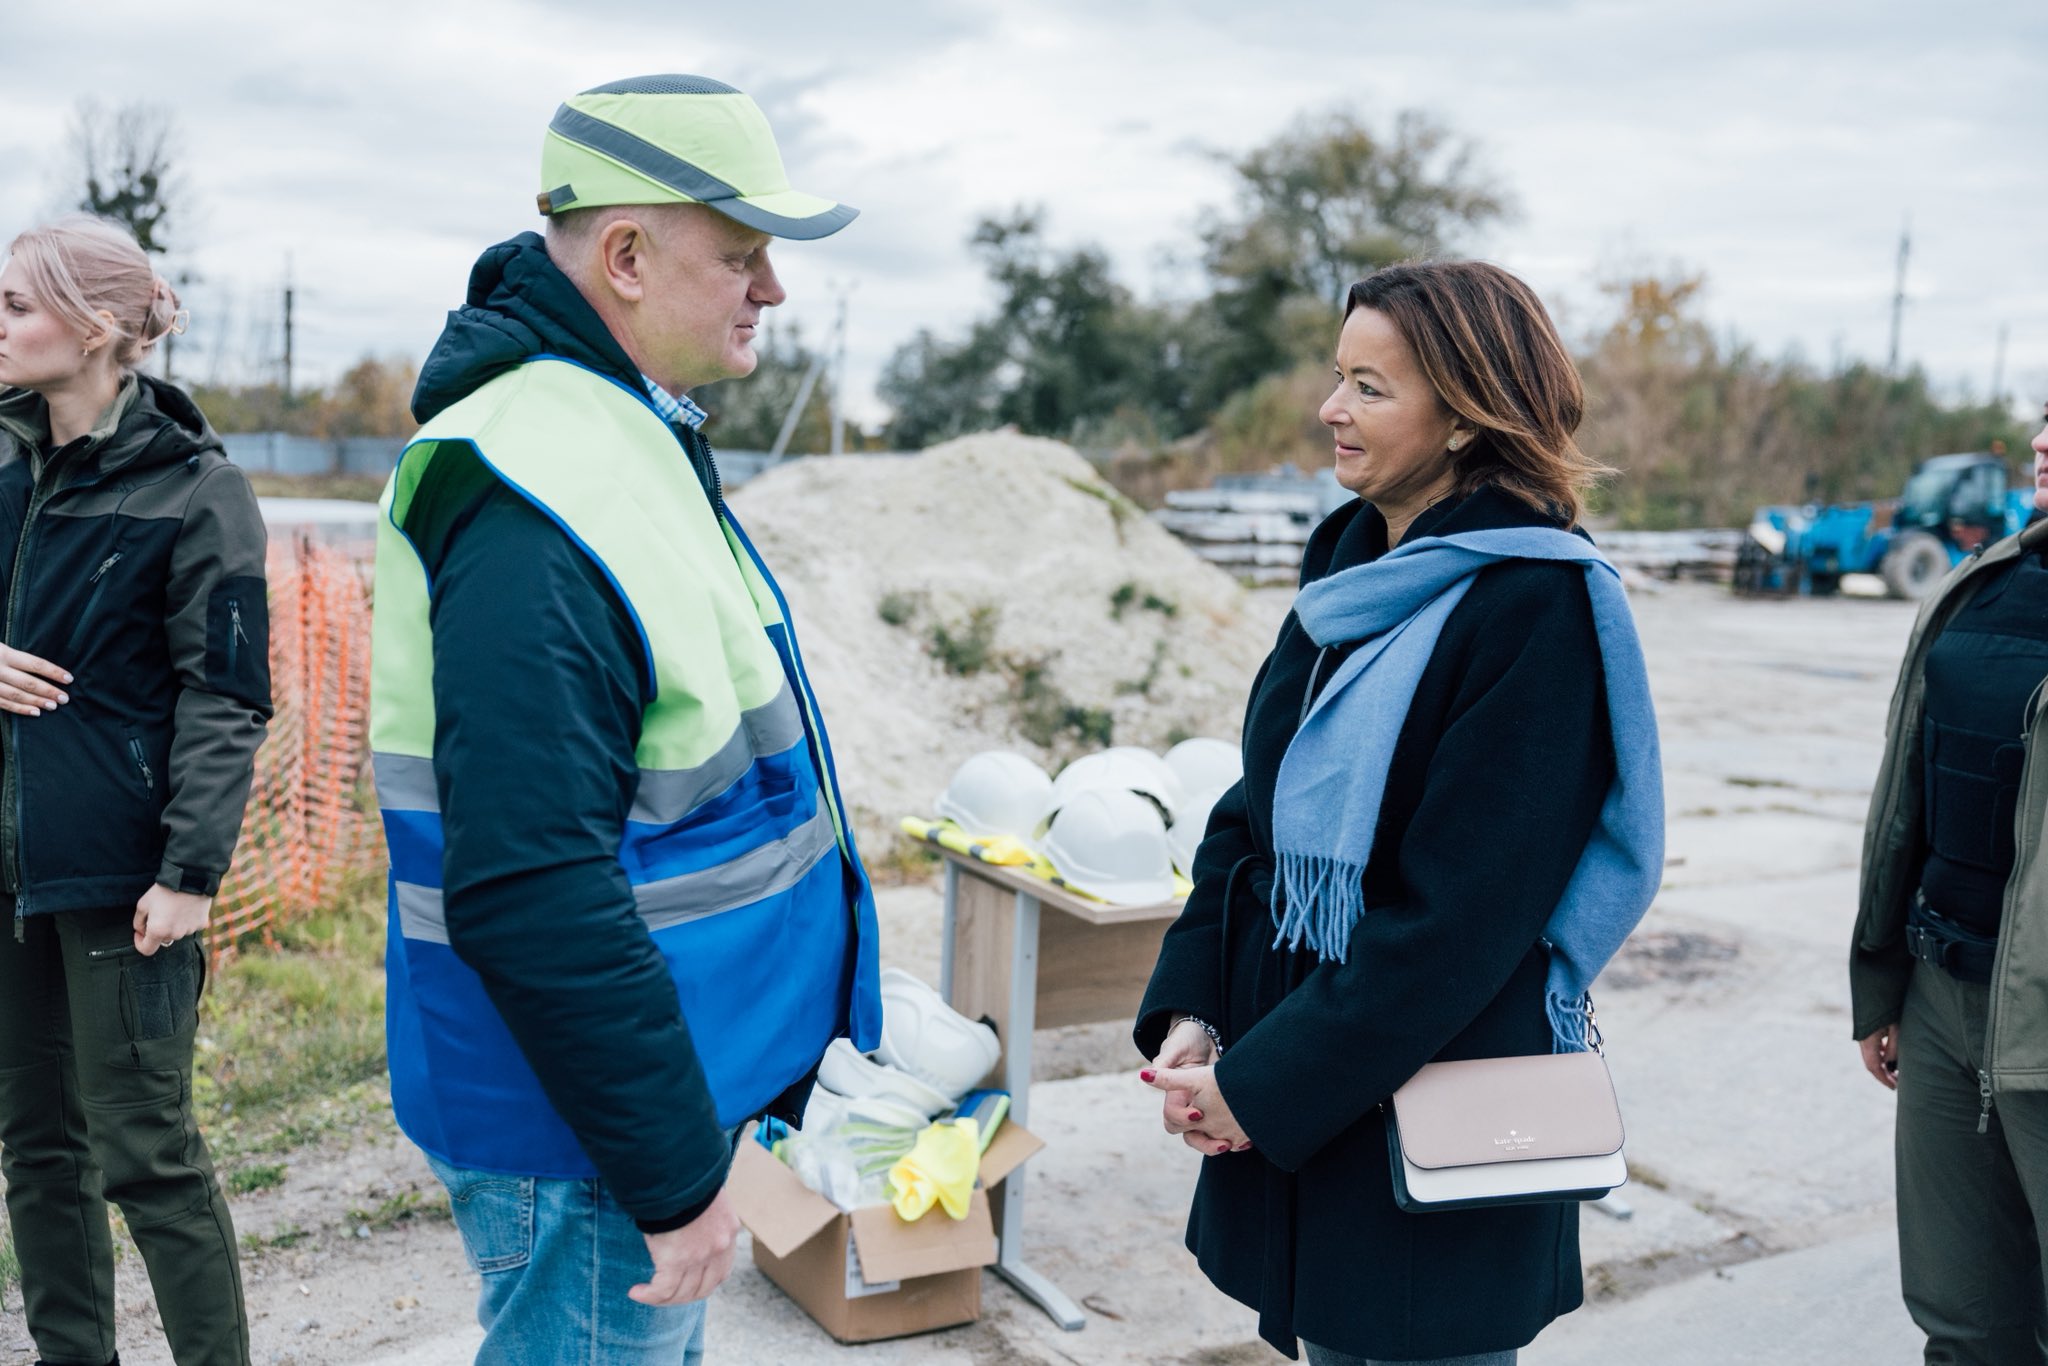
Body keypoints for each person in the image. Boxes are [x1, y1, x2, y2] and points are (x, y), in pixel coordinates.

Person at [369, 75, 881, 1364]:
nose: (769, 289)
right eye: (742, 254)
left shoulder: (623, 433)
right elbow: (531, 880)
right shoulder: (534, 482)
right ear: (628, 254)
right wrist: (667, 1175)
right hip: (586, 1129)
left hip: (637, 1092)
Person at [1136, 260, 1664, 1365]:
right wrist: (1197, 1011)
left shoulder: (1536, 607)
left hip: (1432, 1095)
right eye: (1338, 376)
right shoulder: (1349, 564)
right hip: (1310, 1075)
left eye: (1369, 387)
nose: (1329, 408)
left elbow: (1456, 924)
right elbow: (1257, 803)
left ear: (1468, 415)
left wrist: (1261, 1087)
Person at [0, 215, 271, 1366]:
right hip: (10, 872)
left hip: (128, 878)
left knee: (146, 1151)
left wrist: (190, 872)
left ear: (100, 329)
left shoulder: (198, 491)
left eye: (17, 303)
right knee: (36, 1150)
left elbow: (230, 694)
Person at [1852, 402, 2048, 1364]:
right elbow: (1907, 806)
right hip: (1942, 998)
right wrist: (1883, 981)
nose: (2046, 441)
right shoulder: (1983, 587)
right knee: (1963, 1316)